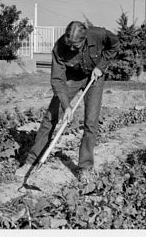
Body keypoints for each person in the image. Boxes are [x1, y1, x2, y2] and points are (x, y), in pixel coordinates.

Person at [16, 21, 120, 182]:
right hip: (72, 78)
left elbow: (114, 45)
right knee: (51, 116)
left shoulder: (99, 34)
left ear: (85, 39)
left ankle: (85, 167)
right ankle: (31, 161)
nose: (71, 49)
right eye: (69, 45)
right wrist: (67, 106)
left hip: (94, 77)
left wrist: (101, 66)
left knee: (91, 122)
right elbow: (57, 79)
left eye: (75, 46)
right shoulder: (60, 47)